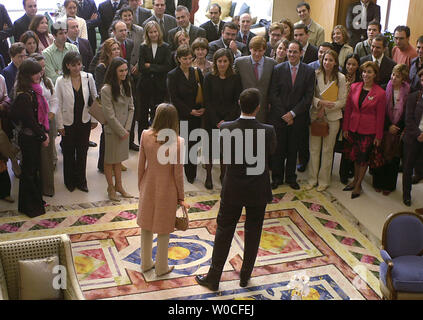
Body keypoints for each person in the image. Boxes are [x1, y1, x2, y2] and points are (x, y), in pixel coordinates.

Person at [195, 88, 277, 291]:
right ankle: (245, 276)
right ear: (258, 108)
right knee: (254, 231)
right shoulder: (268, 130)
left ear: (239, 103)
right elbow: (272, 152)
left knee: (224, 231)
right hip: (257, 188)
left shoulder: (226, 128)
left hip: (233, 188)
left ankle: (213, 278)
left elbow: (222, 153)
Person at [137, 102, 188, 276]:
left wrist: (141, 185)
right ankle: (161, 267)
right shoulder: (179, 142)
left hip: (148, 184)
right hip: (168, 189)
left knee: (146, 225)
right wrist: (181, 197)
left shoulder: (145, 135)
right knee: (164, 228)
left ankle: (145, 263)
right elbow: (178, 174)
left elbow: (140, 165)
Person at [269, 40, 315, 190]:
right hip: (279, 117)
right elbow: (273, 94)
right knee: (278, 149)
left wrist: (293, 114)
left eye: (295, 52)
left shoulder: (309, 71)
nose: (292, 54)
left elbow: (308, 97)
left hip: (298, 118)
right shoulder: (277, 69)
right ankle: (276, 177)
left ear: (301, 53)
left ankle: (290, 177)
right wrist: (284, 114)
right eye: (290, 51)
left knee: (292, 149)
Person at [10, 58, 49, 217]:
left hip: (33, 136)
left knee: (31, 171)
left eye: (39, 71)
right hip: (28, 138)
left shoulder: (33, 90)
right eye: (35, 73)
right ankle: (30, 206)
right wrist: (43, 135)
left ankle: (32, 204)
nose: (39, 74)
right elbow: (29, 121)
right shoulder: (24, 95)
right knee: (29, 172)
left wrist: (41, 133)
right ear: (27, 75)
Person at [342, 61, 386, 199]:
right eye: (364, 71)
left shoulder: (380, 93)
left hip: (368, 131)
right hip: (353, 128)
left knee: (363, 159)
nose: (366, 74)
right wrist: (345, 127)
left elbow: (381, 117)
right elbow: (348, 109)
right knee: (355, 156)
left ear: (375, 75)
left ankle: (358, 185)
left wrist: (378, 136)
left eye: (369, 72)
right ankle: (355, 180)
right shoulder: (355, 87)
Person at [55, 52, 97, 192]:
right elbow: (57, 104)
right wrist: (59, 125)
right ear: (67, 65)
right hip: (68, 122)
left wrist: (94, 119)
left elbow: (95, 99)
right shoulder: (61, 81)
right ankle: (70, 181)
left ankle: (81, 181)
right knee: (68, 151)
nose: (77, 68)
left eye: (79, 64)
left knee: (82, 151)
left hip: (84, 120)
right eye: (73, 65)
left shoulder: (88, 77)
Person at [306, 50, 347, 192]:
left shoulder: (341, 78)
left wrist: (329, 106)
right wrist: (320, 103)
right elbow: (309, 95)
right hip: (316, 116)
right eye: (325, 59)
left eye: (330, 60)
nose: (327, 62)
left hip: (333, 117)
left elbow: (343, 100)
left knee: (328, 150)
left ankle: (324, 181)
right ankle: (312, 179)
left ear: (335, 62)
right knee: (314, 149)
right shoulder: (315, 74)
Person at [204, 48, 242, 189]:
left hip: (229, 120)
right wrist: (216, 121)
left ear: (230, 62)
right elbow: (207, 101)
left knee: (225, 150)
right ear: (215, 62)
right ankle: (208, 176)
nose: (222, 64)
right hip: (211, 119)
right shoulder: (208, 77)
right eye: (219, 61)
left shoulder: (236, 78)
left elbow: (236, 102)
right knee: (209, 149)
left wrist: (226, 121)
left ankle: (223, 174)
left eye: (225, 61)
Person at [167, 44, 204, 183]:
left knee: (194, 144)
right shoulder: (173, 75)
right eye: (185, 58)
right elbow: (174, 98)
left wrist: (202, 108)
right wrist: (189, 111)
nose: (188, 61)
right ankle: (183, 172)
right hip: (182, 115)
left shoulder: (197, 72)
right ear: (178, 59)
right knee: (184, 144)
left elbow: (203, 91)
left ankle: (191, 172)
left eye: (190, 58)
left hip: (197, 114)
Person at [372, 64, 410, 195]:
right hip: (384, 128)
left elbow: (407, 113)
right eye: (393, 74)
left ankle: (389, 185)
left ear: (403, 79)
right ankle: (378, 183)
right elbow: (379, 112)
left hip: (398, 131)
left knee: (393, 158)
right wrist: (388, 126)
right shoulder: (383, 88)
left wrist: (398, 127)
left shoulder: (408, 92)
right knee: (380, 155)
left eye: (398, 76)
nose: (394, 78)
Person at [101, 57, 134, 201]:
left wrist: (126, 129)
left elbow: (132, 108)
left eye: (126, 70)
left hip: (124, 130)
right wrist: (121, 131)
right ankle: (110, 187)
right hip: (113, 130)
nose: (124, 73)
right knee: (110, 160)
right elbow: (109, 115)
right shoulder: (106, 89)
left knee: (119, 160)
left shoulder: (127, 85)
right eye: (121, 71)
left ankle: (119, 186)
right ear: (114, 71)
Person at [137, 20, 172, 142]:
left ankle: (156, 138)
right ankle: (142, 139)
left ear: (159, 32)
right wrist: (156, 67)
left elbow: (167, 67)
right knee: (143, 112)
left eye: (155, 31)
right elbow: (141, 67)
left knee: (157, 112)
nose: (153, 34)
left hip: (160, 85)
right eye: (150, 32)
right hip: (145, 84)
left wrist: (150, 66)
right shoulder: (143, 46)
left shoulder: (166, 47)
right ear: (147, 33)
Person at [30, 53, 59, 198]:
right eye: (38, 68)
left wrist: (51, 114)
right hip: (34, 125)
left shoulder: (47, 81)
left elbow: (54, 100)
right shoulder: (27, 85)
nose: (42, 71)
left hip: (48, 121)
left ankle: (47, 187)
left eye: (43, 67)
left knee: (48, 154)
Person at [235, 36, 276, 123]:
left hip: (263, 109)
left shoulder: (272, 63)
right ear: (250, 49)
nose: (257, 54)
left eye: (260, 51)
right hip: (244, 109)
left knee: (261, 135)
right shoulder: (239, 63)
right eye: (255, 50)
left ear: (264, 50)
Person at [95, 38, 121, 173]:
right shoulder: (102, 67)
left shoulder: (119, 64)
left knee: (117, 135)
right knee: (107, 135)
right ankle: (103, 163)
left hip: (119, 104)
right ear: (107, 52)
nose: (116, 52)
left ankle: (116, 161)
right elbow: (100, 88)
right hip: (107, 105)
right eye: (113, 50)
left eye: (118, 49)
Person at [339, 53, 361, 185]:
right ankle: (341, 172)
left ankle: (348, 171)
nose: (350, 67)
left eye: (353, 64)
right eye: (348, 64)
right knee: (340, 145)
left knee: (350, 145)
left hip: (353, 116)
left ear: (358, 65)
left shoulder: (360, 80)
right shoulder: (340, 77)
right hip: (339, 113)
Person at [402, 69, 423, 207]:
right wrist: (418, 134)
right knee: (408, 167)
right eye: (422, 79)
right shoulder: (413, 97)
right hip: (413, 137)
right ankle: (406, 195)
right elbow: (408, 119)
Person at [0, 74, 14, 202]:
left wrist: (3, 105)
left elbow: (6, 97)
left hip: (0, 125)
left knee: (2, 160)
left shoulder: (1, 78)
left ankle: (4, 192)